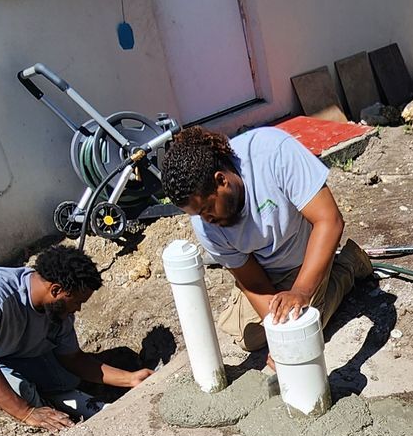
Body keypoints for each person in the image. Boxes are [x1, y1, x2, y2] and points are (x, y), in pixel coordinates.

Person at [160, 125, 373, 353]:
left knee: (307, 328)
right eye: (197, 214)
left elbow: (329, 221)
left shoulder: (273, 153)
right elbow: (252, 281)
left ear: (222, 181)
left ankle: (348, 264)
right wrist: (278, 336)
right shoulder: (204, 224)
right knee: (252, 337)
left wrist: (300, 291)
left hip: (306, 254)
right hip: (266, 270)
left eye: (207, 208)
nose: (206, 219)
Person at [0, 244, 151, 431]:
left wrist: (129, 379)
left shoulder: (56, 308)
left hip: (1, 350)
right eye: (76, 302)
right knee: (20, 390)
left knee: (65, 379)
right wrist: (27, 413)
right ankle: (52, 411)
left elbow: (73, 358)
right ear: (56, 290)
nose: (77, 309)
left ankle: (64, 402)